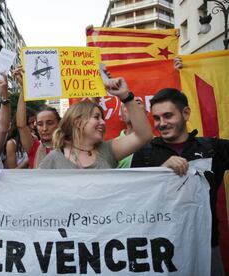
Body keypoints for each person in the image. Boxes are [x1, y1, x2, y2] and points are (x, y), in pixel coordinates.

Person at [131, 88, 229, 275]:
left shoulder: (212, 148)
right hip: (160, 250)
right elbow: (134, 197)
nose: (162, 123)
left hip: (207, 247)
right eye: (157, 118)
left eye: (168, 116)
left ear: (186, 113)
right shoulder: (145, 153)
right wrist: (160, 171)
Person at [39, 77, 152, 169]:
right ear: (78, 122)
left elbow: (143, 136)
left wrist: (126, 96)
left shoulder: (108, 150)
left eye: (102, 118)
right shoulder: (53, 159)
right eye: (96, 117)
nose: (103, 122)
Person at [13, 66, 61, 169]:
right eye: (40, 124)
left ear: (59, 124)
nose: (44, 128)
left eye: (50, 123)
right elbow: (21, 125)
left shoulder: (70, 147)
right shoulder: (33, 147)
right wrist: (24, 88)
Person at [117, 97, 148, 168]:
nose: (132, 107)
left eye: (138, 103)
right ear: (120, 116)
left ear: (146, 113)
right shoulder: (112, 146)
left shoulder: (158, 143)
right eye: (126, 105)